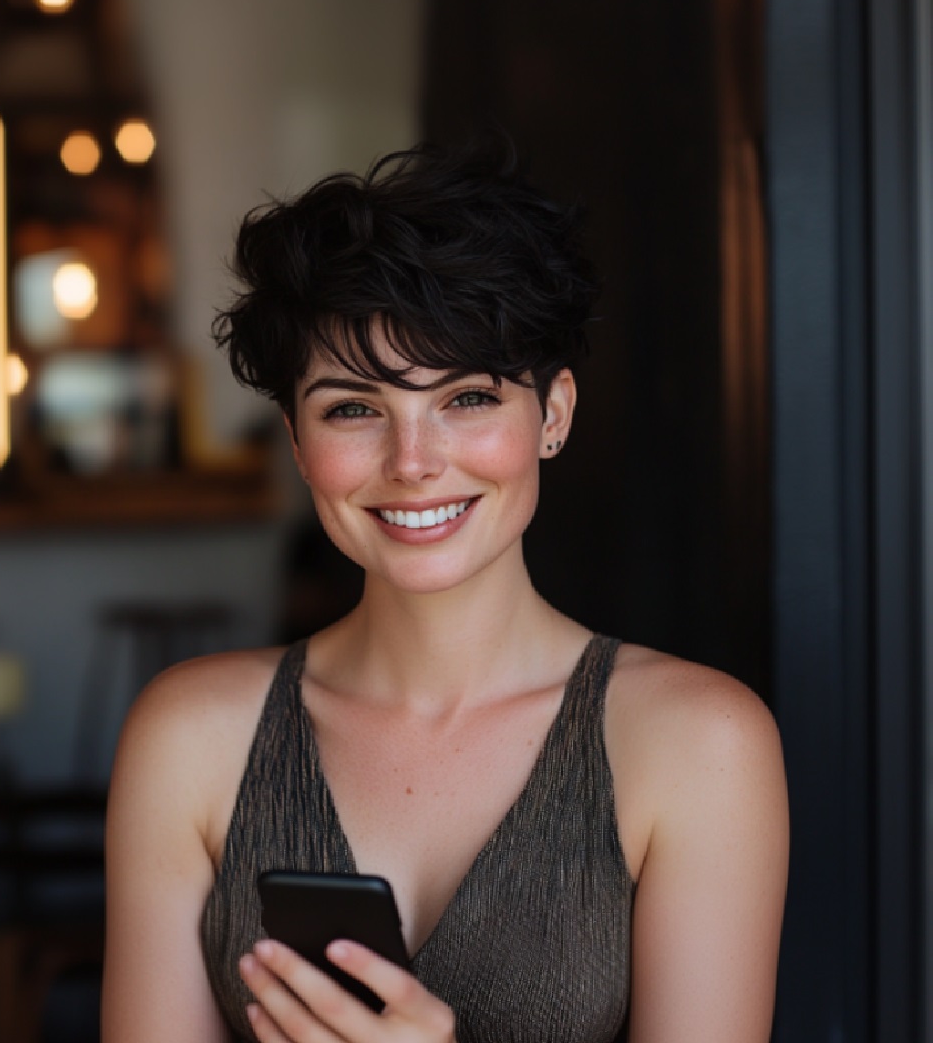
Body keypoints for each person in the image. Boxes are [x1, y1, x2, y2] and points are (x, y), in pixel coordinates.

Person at [102, 140, 789, 1043]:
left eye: (466, 398)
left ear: (554, 414)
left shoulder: (700, 744)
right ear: (298, 443)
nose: (414, 463)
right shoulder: (190, 739)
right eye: (353, 408)